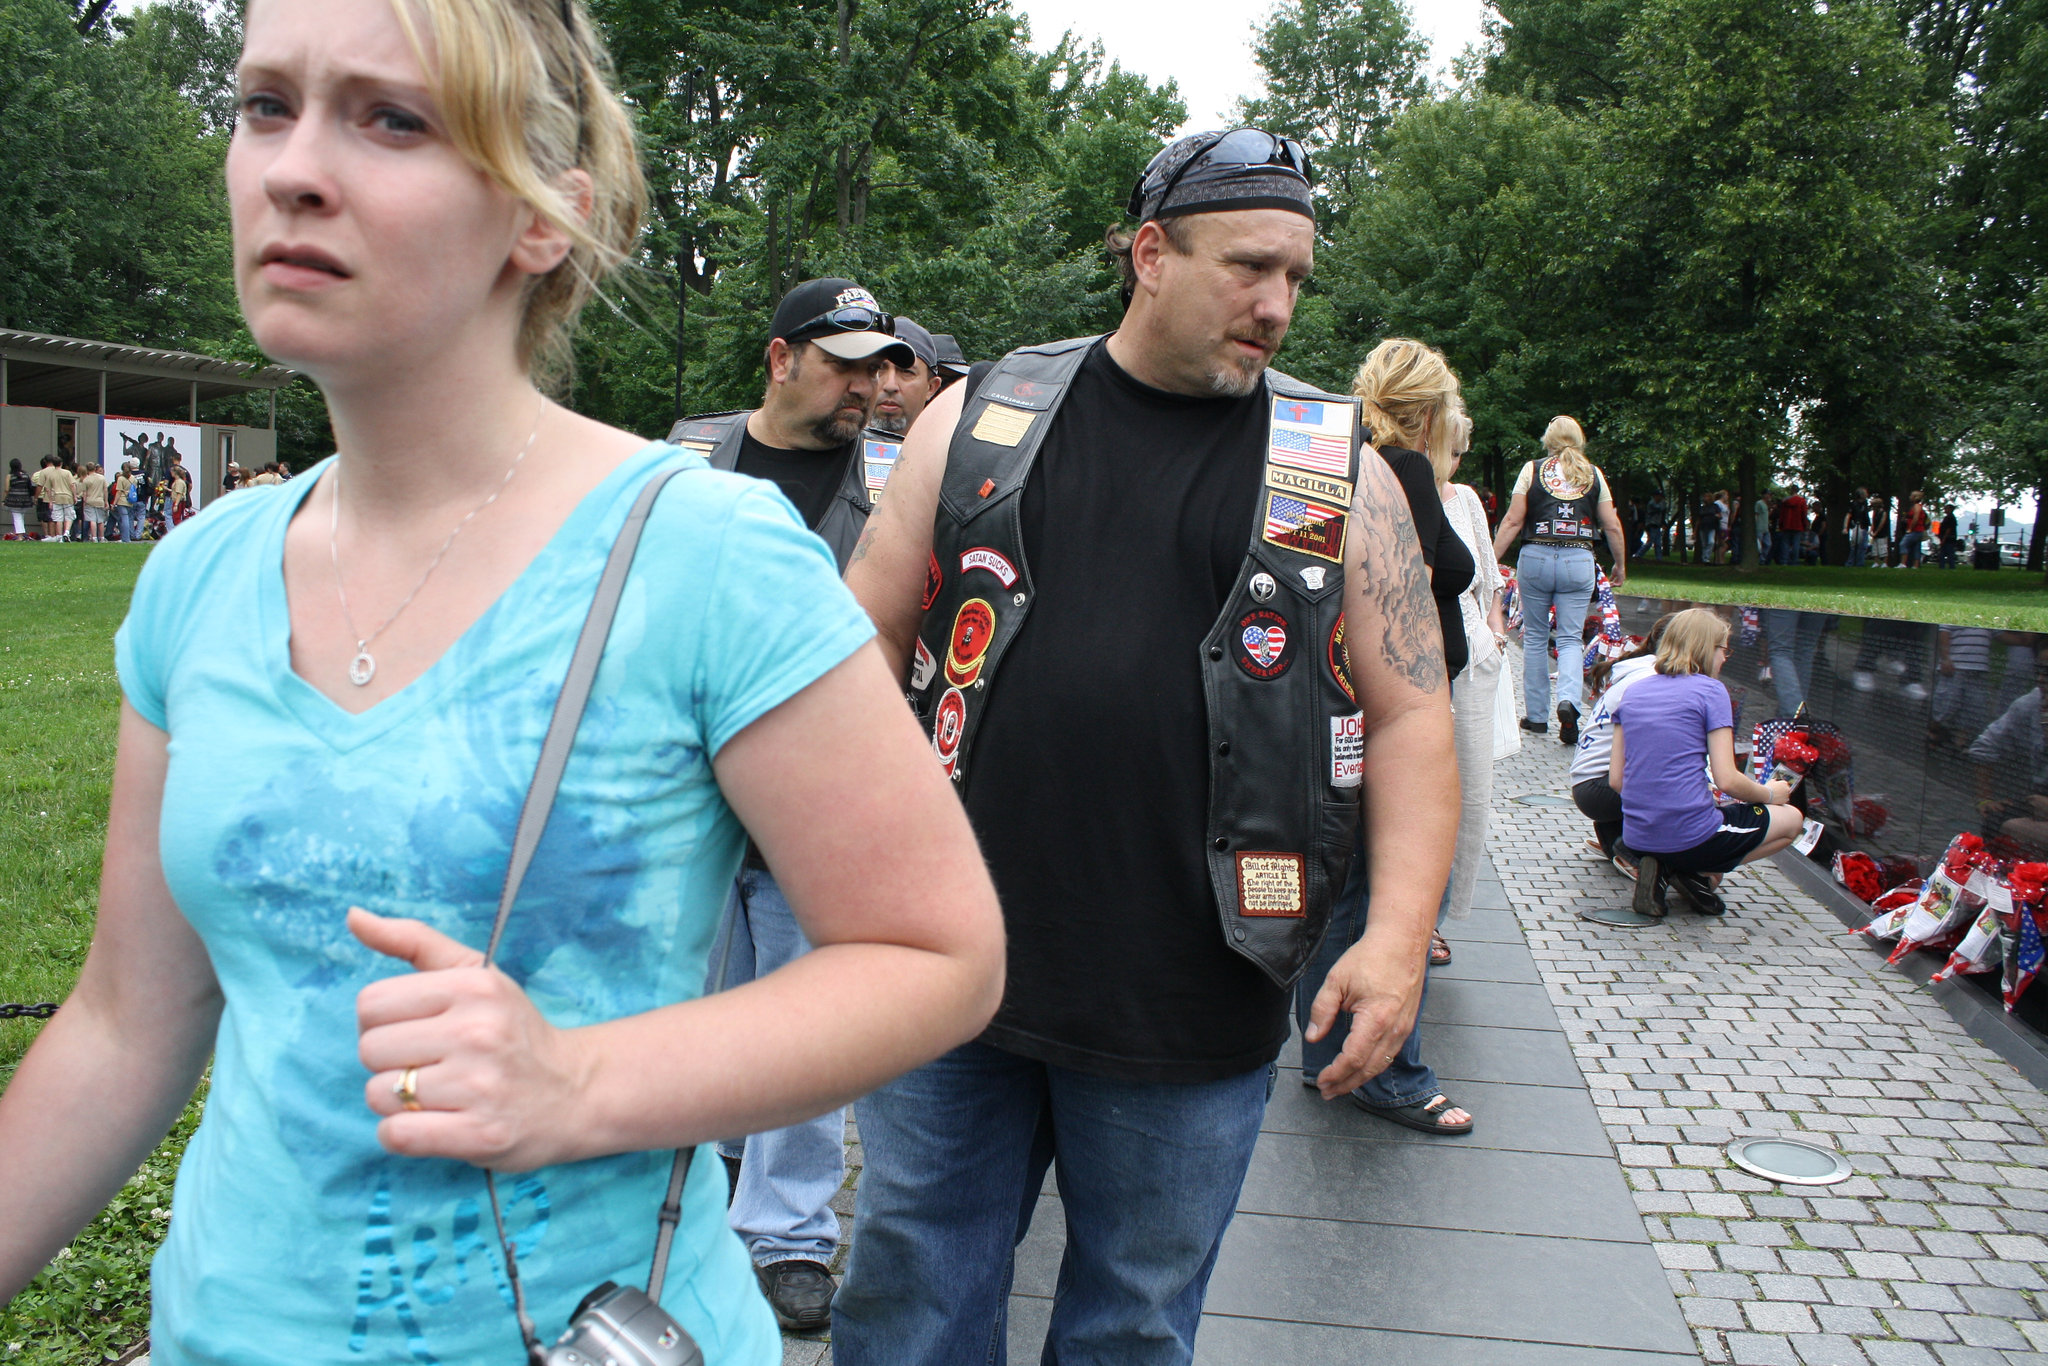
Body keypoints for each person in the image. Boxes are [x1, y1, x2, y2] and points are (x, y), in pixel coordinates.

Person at [0, 6, 1006, 1366]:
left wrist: (576, 1082)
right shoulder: (199, 576)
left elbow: (936, 954)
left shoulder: (700, 556)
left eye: (391, 118)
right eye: (264, 106)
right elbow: (127, 1020)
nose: (293, 168)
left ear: (546, 217)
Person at [835, 127, 1457, 1364]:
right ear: (1149, 253)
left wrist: (1391, 948)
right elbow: (858, 636)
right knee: (908, 1300)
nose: (1277, 305)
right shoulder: (982, 415)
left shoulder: (1335, 465)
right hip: (950, 966)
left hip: (1196, 989)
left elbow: (1413, 714)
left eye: (1296, 277)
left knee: (1131, 1326)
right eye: (1248, 267)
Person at [665, 274, 917, 1332]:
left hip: (817, 792)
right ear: (779, 360)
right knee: (694, 1001)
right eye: (843, 363)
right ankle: (698, 1188)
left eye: (878, 365)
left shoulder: (903, 484)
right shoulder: (683, 461)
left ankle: (790, 1235)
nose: (868, 385)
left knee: (813, 1011)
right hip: (687, 790)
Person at [1293, 340, 1476, 1140]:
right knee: (1378, 891)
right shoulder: (1400, 475)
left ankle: (1325, 1046)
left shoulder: (1351, 463)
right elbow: (1432, 579)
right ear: (1433, 410)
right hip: (1382, 716)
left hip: (1340, 708)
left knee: (1343, 884)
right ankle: (1388, 1070)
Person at [1610, 609, 1803, 917]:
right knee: (1792, 820)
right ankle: (1693, 873)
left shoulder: (1632, 693)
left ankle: (1666, 866)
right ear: (1704, 648)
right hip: (1692, 832)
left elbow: (1617, 780)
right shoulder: (1711, 691)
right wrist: (1770, 794)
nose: (1725, 658)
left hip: (1637, 834)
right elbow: (1727, 779)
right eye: (1723, 649)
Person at [1492, 415, 1624, 744]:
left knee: (1535, 637)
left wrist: (1490, 558)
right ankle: (1569, 703)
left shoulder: (1532, 470)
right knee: (1568, 639)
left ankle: (1536, 717)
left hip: (1535, 556)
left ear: (1548, 440)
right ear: (1579, 439)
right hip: (1578, 559)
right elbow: (1611, 524)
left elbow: (1512, 520)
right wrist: (1620, 563)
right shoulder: (1593, 474)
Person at [1572, 614, 1677, 863]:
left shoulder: (1640, 669)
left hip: (1588, 783)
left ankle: (1614, 833)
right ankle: (1634, 846)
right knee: (1681, 785)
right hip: (1602, 787)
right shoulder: (1652, 679)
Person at [870, 318, 943, 437]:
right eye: (878, 369)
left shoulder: (947, 453)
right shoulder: (834, 450)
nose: (890, 386)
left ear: (931, 388)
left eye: (906, 372)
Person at [32, 456, 74, 543]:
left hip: (54, 498)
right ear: (61, 463)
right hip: (67, 497)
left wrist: (48, 499)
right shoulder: (67, 472)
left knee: (57, 518)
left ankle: (57, 536)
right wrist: (75, 496)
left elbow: (46, 488)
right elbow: (72, 485)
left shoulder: (48, 473)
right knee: (68, 516)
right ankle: (66, 533)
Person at [3, 459, 33, 539]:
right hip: (25, 500)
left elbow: (6, 489)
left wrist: (4, 500)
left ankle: (20, 536)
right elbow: (30, 487)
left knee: (17, 517)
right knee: (21, 516)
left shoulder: (10, 476)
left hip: (14, 500)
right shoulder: (26, 475)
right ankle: (22, 534)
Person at [1843, 487, 1871, 567]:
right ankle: (1851, 563)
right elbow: (1848, 515)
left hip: (1864, 526)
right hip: (1857, 526)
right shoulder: (1854, 504)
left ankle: (1859, 563)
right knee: (1855, 546)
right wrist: (1845, 527)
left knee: (1863, 547)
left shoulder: (1865, 503)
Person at [1903, 491, 1930, 567]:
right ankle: (1915, 565)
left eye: (1911, 495)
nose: (1909, 497)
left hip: (1916, 530)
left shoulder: (1917, 506)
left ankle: (1903, 563)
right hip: (1918, 530)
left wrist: (1910, 528)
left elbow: (1916, 518)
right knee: (1916, 548)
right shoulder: (1917, 506)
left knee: (1903, 544)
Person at [1645, 489, 1668, 560]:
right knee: (1649, 542)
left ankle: (1659, 558)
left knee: (1658, 543)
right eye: (1659, 496)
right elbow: (1660, 508)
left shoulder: (1659, 503)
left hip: (1657, 525)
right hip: (1651, 524)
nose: (1660, 497)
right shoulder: (1652, 503)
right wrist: (1663, 503)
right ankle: (1638, 555)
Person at [1938, 503, 1959, 569]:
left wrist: (1944, 538)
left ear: (1950, 509)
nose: (1945, 509)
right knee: (1945, 553)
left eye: (1946, 508)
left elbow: (1948, 529)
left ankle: (1949, 566)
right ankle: (1944, 566)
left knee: (1948, 553)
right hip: (1948, 538)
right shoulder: (1949, 517)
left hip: (1948, 539)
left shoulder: (1950, 518)